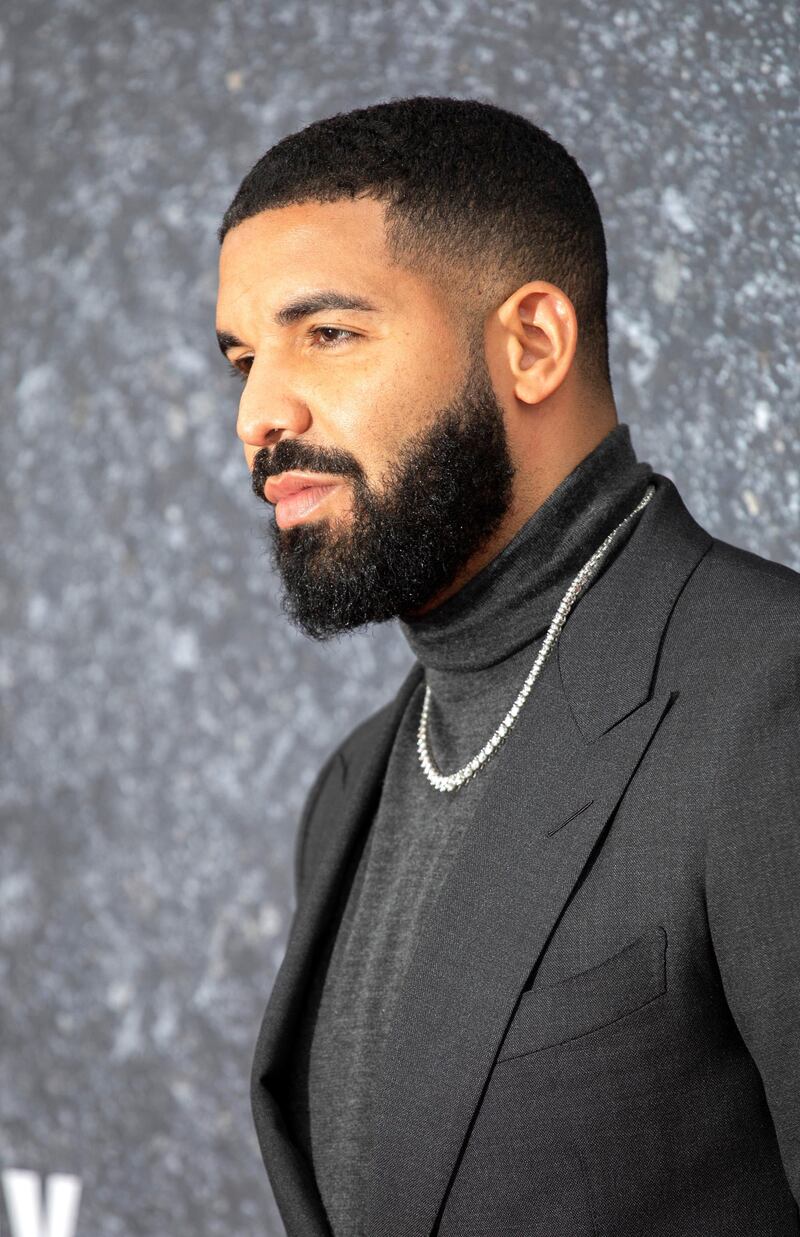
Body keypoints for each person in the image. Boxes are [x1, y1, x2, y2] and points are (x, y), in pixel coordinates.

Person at [214, 96, 800, 1236]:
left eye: (325, 333)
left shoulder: (768, 698)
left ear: (530, 343)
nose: (257, 412)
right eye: (241, 356)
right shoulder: (353, 785)